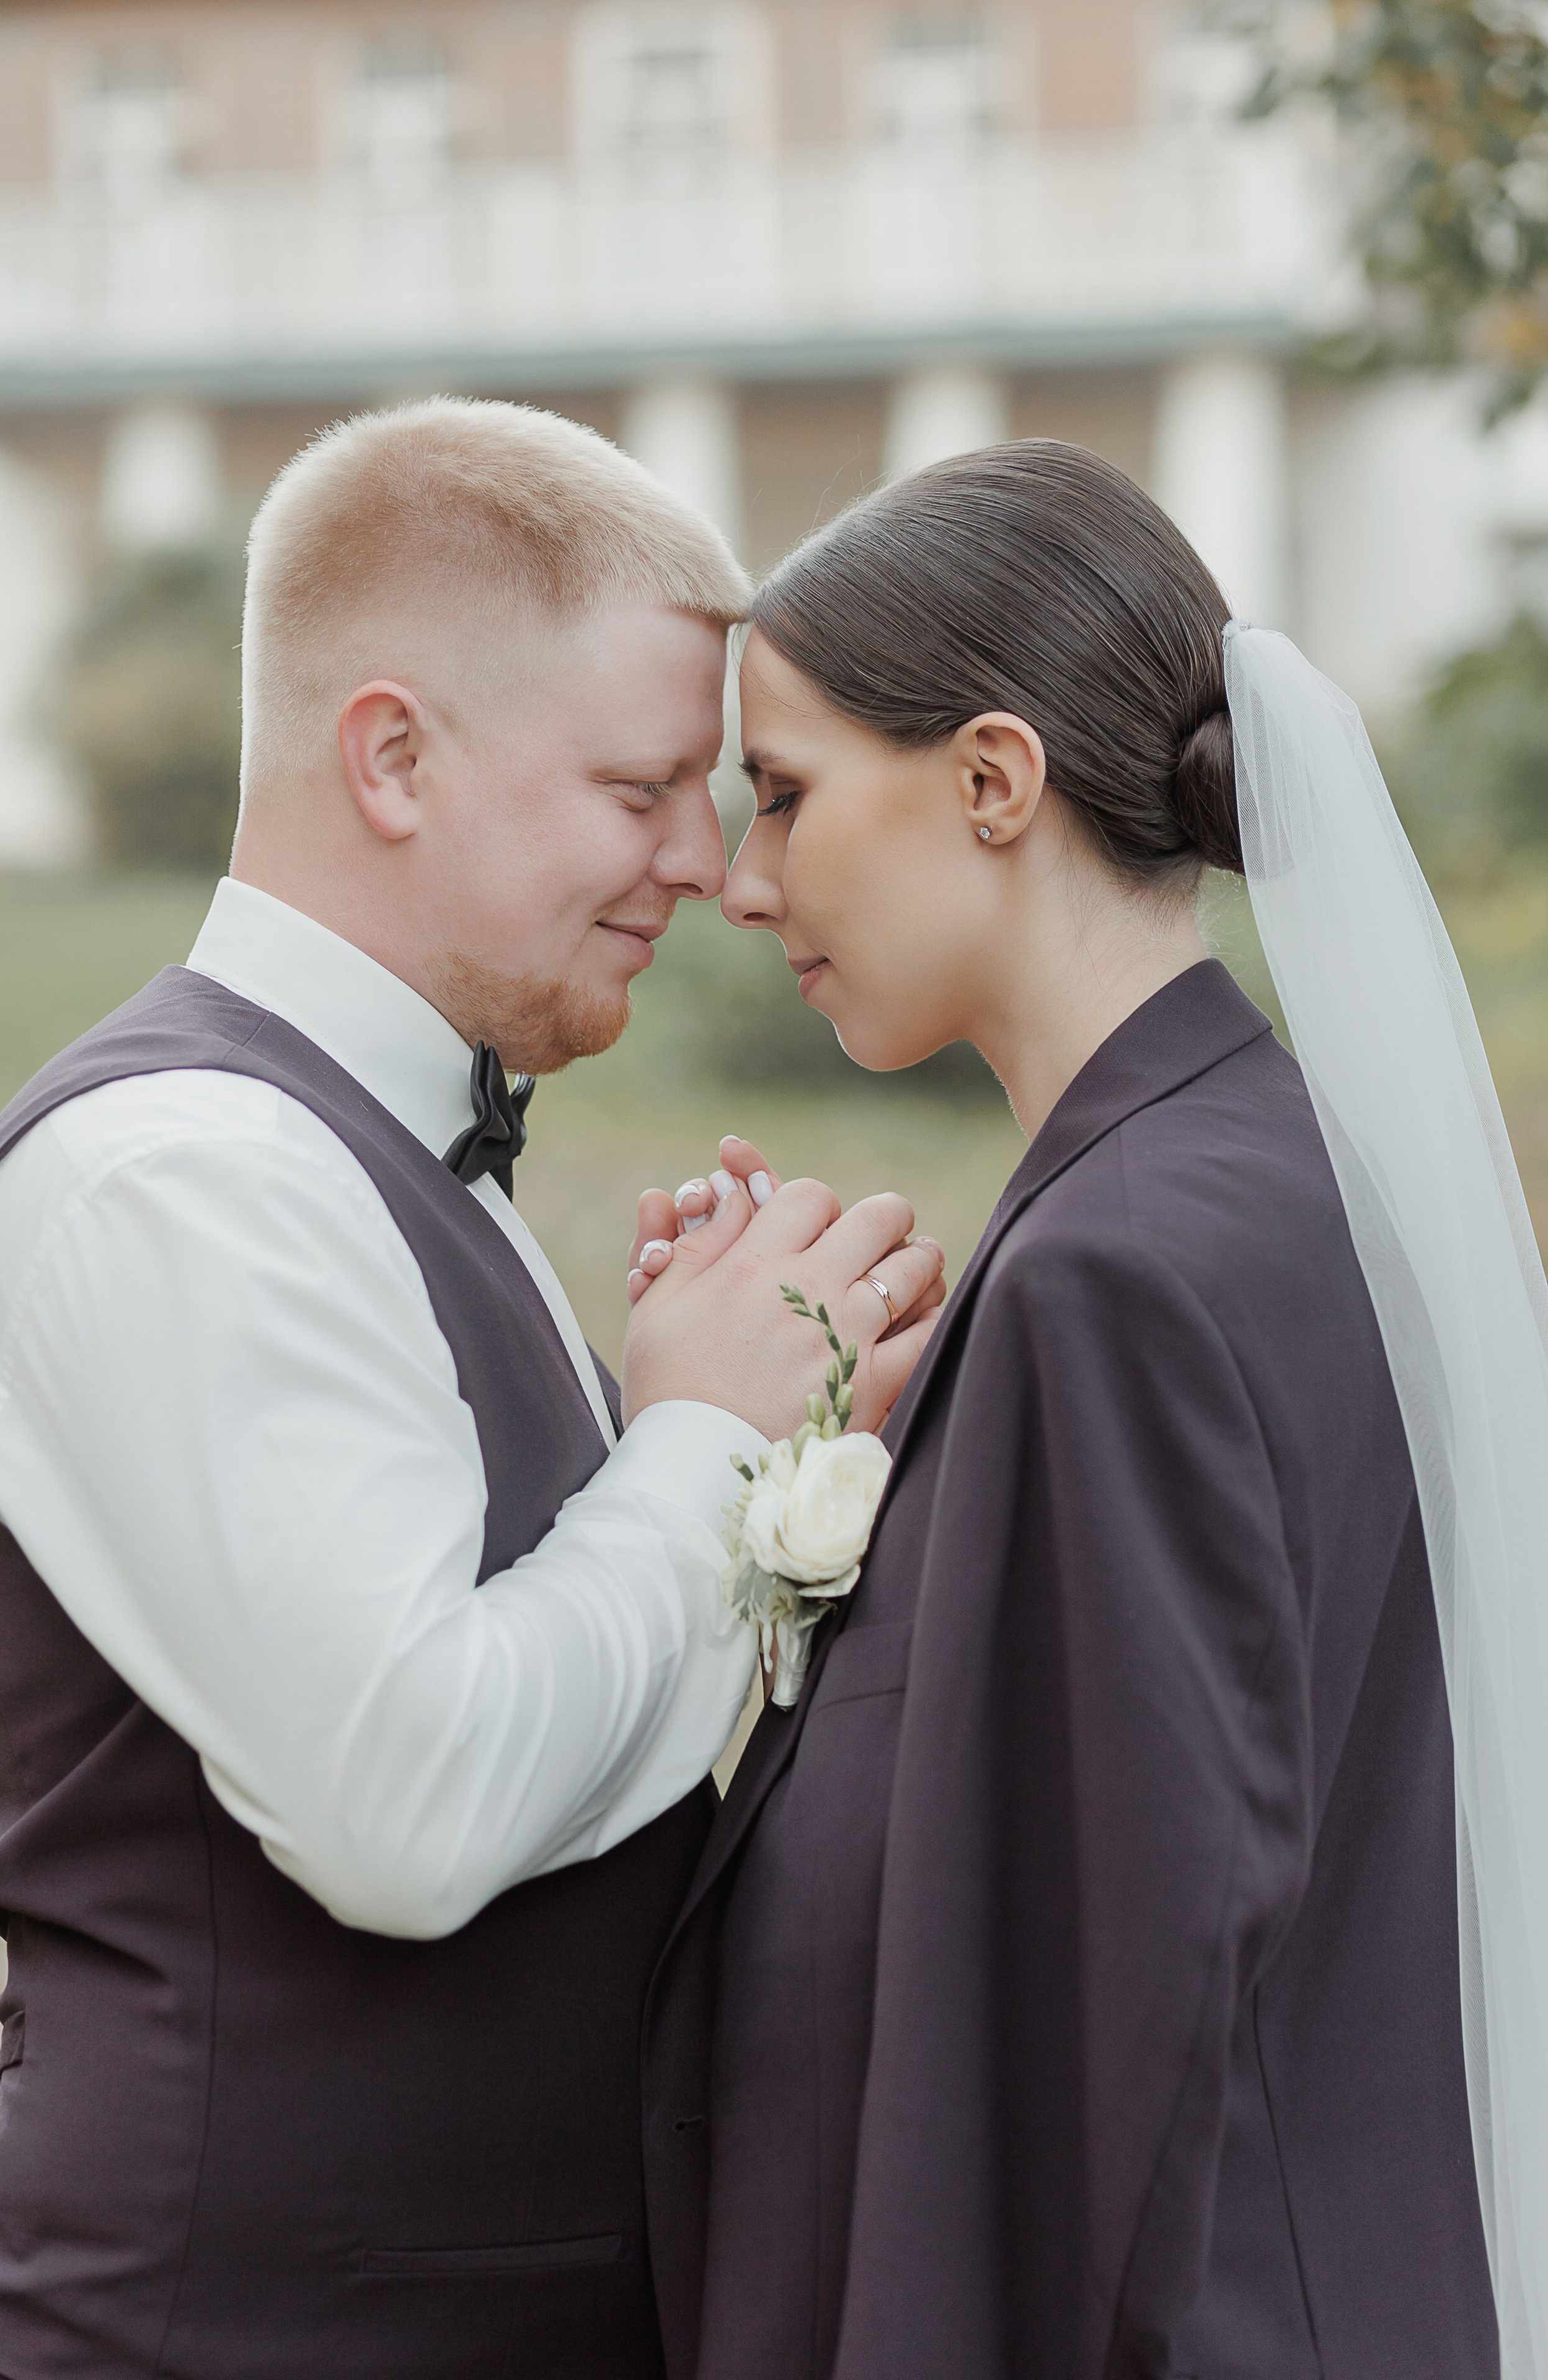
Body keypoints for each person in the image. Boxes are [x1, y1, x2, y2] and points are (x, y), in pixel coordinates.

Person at [0, 397, 945, 2380]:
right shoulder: (188, 1178)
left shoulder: (404, 1154)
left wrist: (767, 1460)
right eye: (647, 784)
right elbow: (410, 1807)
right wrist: (698, 1434)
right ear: (393, 756)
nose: (713, 861)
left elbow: (560, 1727)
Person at [637, 441, 1507, 2378]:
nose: (743, 880)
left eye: (781, 793)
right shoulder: (1278, 1186)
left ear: (992, 780)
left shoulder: (1114, 1278)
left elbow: (1095, 2022)